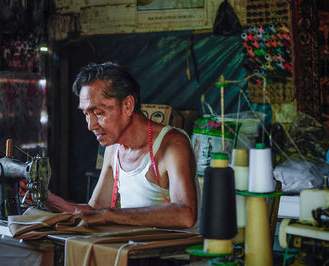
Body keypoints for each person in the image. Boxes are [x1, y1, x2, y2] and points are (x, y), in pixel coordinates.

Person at [22, 62, 199, 229]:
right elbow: (94, 211)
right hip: (136, 252)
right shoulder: (113, 150)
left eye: (98, 113)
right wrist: (48, 199)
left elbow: (185, 215)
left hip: (173, 258)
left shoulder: (172, 145)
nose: (91, 126)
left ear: (128, 105)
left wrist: (109, 214)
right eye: (86, 114)